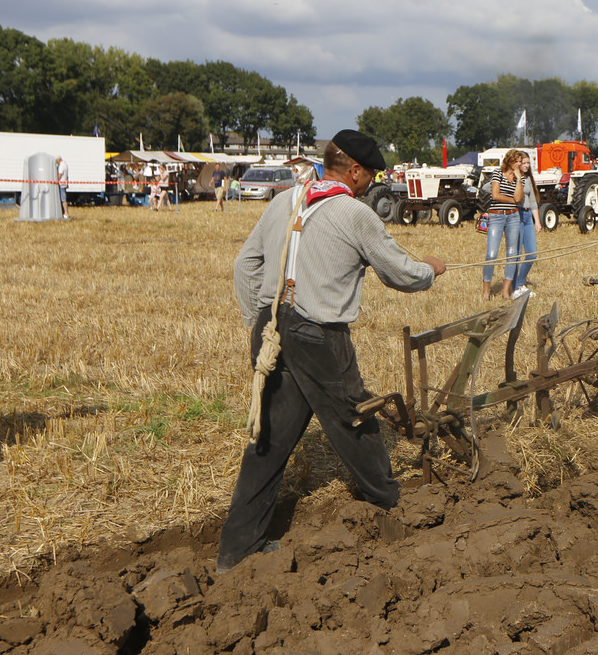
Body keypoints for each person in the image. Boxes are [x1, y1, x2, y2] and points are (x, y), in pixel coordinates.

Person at [216, 130, 446, 574]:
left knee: (269, 439)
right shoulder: (354, 213)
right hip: (319, 335)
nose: (371, 182)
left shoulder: (285, 201)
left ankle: (236, 551)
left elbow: (245, 266)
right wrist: (430, 270)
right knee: (354, 418)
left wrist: (259, 324)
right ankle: (392, 505)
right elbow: (399, 273)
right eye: (370, 174)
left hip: (272, 328)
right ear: (354, 171)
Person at [482, 149, 526, 301]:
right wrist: (512, 200)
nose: (518, 164)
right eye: (516, 161)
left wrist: (518, 179)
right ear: (509, 160)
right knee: (491, 254)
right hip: (496, 215)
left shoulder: (521, 178)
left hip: (513, 216)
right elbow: (495, 195)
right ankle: (486, 292)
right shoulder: (497, 173)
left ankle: (505, 291)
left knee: (512, 254)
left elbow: (519, 199)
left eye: (520, 161)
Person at [510, 155, 543, 298]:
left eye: (528, 163)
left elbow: (533, 201)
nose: (527, 165)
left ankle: (520, 283)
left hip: (528, 217)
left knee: (532, 254)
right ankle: (515, 288)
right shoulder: (512, 178)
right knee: (516, 254)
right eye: (524, 163)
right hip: (516, 215)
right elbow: (490, 188)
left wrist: (537, 221)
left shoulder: (528, 179)